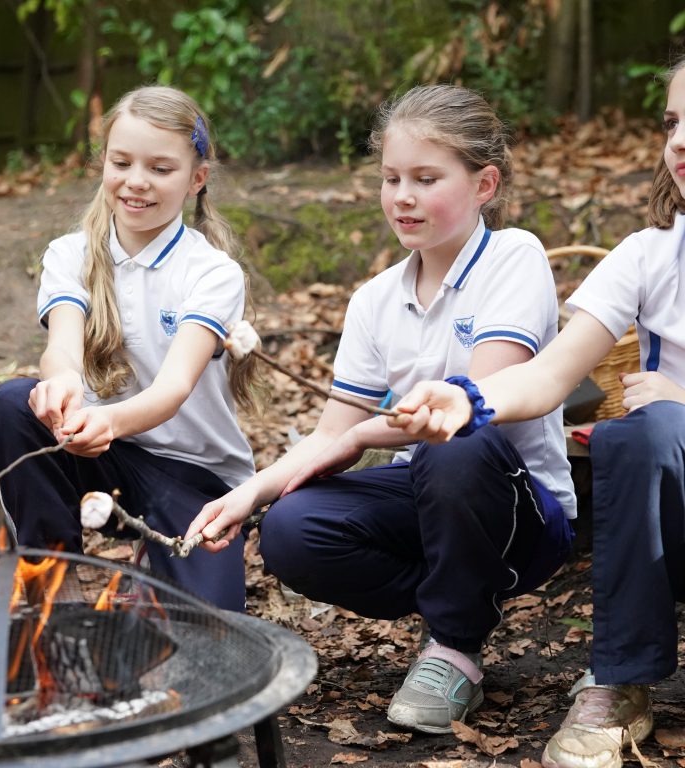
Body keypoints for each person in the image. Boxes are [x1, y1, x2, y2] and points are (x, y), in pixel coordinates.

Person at [185, 84, 576, 733]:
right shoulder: (373, 301)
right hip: (430, 497)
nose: (403, 196)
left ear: (484, 184)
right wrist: (248, 495)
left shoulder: (516, 258)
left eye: (426, 178)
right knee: (291, 528)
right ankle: (457, 591)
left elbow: (481, 403)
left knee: (458, 439)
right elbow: (334, 434)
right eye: (392, 178)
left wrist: (381, 425)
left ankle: (454, 646)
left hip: (521, 512)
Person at [385, 57, 685, 768]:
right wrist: (469, 397)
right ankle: (621, 681)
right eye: (673, 122)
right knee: (643, 434)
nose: (678, 142)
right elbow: (551, 375)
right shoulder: (649, 256)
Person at [0, 85, 260, 612]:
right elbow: (61, 347)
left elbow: (175, 388)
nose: (136, 182)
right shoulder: (71, 255)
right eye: (122, 162)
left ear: (196, 179)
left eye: (160, 168)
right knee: (17, 403)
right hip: (101, 457)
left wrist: (108, 422)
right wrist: (62, 381)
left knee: (212, 630)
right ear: (103, 163)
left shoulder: (212, 274)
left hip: (192, 474)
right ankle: (55, 595)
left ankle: (152, 572)